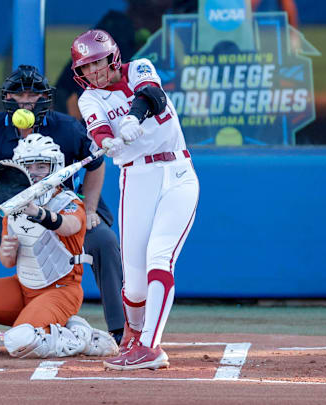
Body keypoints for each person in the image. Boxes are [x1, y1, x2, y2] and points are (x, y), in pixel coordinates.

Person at [0, 64, 127, 345]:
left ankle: (120, 329)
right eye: (18, 94)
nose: (26, 101)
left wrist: (91, 209)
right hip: (6, 215)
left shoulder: (67, 128)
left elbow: (95, 164)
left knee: (104, 241)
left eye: (33, 94)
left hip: (61, 212)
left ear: (45, 97)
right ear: (6, 97)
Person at [70, 29, 199, 370]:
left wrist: (130, 118)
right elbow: (97, 129)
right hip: (135, 178)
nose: (93, 71)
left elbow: (152, 96)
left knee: (160, 256)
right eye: (86, 67)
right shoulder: (89, 99)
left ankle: (151, 347)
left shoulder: (139, 67)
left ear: (112, 58)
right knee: (136, 281)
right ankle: (134, 332)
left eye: (98, 62)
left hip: (177, 172)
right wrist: (106, 141)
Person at [0, 134, 118, 358]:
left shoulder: (69, 201)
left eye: (42, 166)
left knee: (20, 341)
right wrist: (6, 250)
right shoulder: (13, 207)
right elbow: (7, 262)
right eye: (27, 166)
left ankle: (81, 337)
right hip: (22, 287)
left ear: (56, 168)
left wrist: (38, 213)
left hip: (61, 291)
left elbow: (69, 226)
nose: (34, 173)